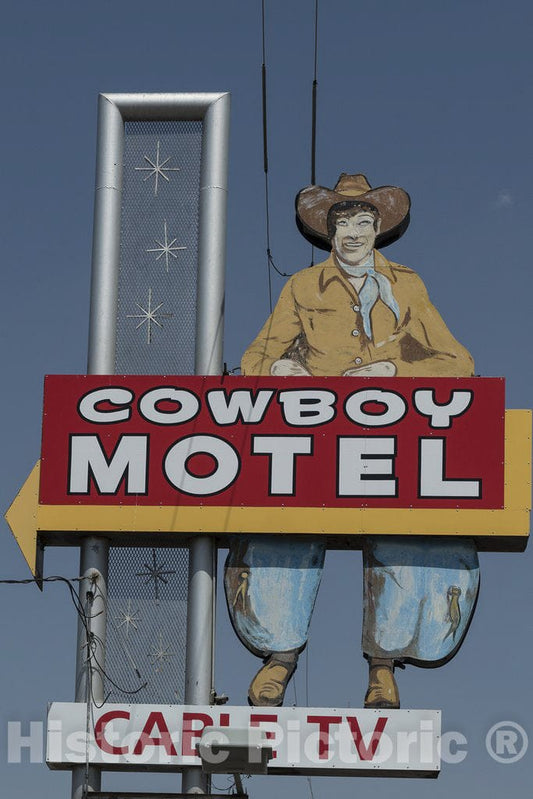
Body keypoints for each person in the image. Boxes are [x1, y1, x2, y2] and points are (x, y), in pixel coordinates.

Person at [224, 174, 480, 708]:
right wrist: (281, 370)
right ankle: (279, 657)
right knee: (283, 528)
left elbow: (459, 364)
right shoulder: (301, 286)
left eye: (363, 221)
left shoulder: (406, 284)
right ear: (328, 231)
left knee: (406, 533)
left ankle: (383, 667)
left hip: (391, 431)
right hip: (312, 431)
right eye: (343, 223)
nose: (353, 232)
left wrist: (395, 369)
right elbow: (255, 358)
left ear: (379, 228)